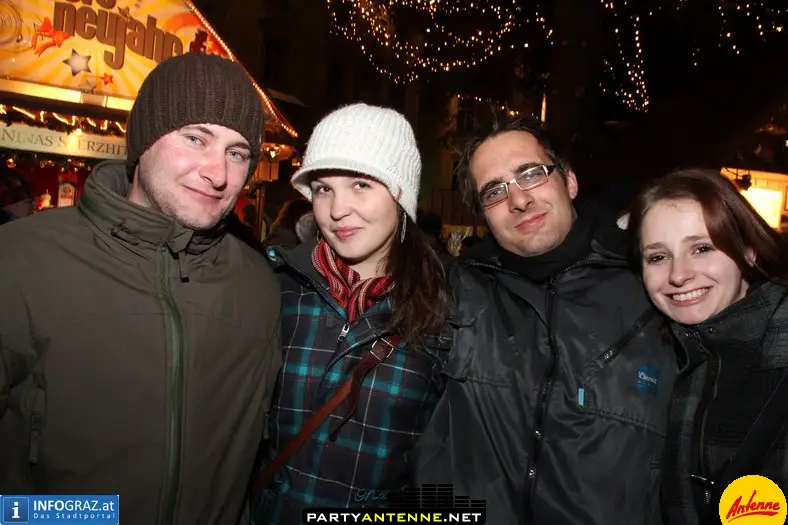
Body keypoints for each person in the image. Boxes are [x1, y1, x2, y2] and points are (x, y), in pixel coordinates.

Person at [0, 53, 282, 525]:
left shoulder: (258, 285)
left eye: (237, 153)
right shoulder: (21, 258)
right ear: (143, 140)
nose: (218, 173)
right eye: (196, 138)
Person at [412, 116, 678, 525]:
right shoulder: (460, 291)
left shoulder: (653, 287)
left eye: (531, 174)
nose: (518, 200)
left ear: (569, 181)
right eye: (494, 191)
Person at [254, 103, 452, 524]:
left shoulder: (449, 310)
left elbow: (453, 468)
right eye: (323, 188)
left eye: (361, 184)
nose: (337, 209)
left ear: (400, 195)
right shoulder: (277, 288)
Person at [628, 168, 788, 525]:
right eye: (658, 256)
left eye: (701, 248)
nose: (678, 274)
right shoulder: (687, 356)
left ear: (747, 251)